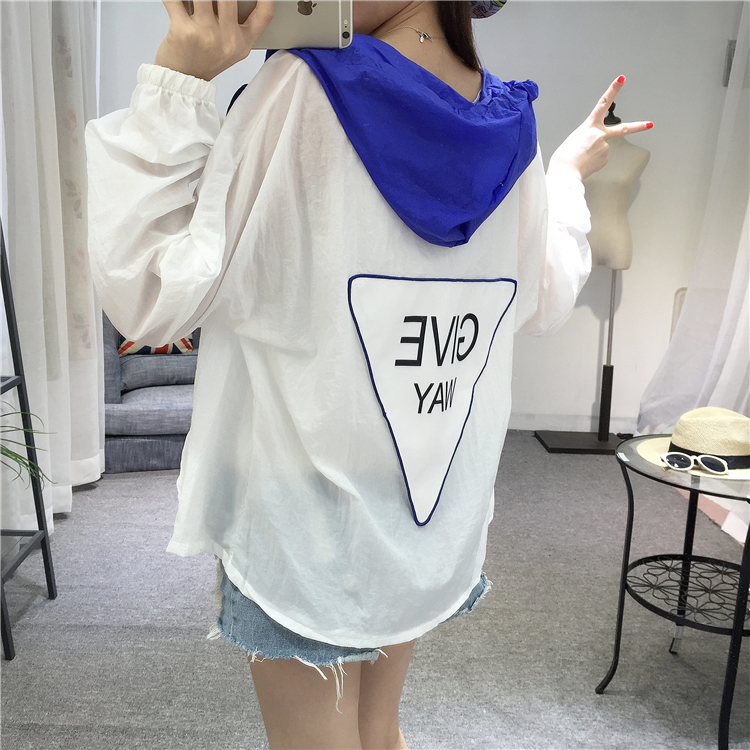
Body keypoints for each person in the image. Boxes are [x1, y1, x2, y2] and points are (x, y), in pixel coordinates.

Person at [86, 2, 652, 747]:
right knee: (379, 731)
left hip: (301, 504)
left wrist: (179, 80)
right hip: (418, 494)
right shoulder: (506, 125)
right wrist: (568, 173)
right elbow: (543, 295)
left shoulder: (302, 89)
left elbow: (152, 296)